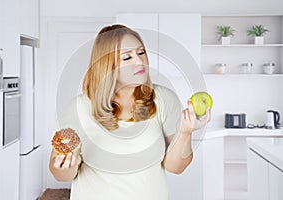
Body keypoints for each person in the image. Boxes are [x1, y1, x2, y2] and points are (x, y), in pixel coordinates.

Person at [49, 24, 211, 200]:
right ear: (107, 66)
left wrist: (185, 132)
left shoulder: (163, 99)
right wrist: (66, 166)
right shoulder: (79, 107)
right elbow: (60, 174)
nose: (139, 61)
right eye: (127, 57)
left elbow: (176, 167)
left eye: (141, 53)